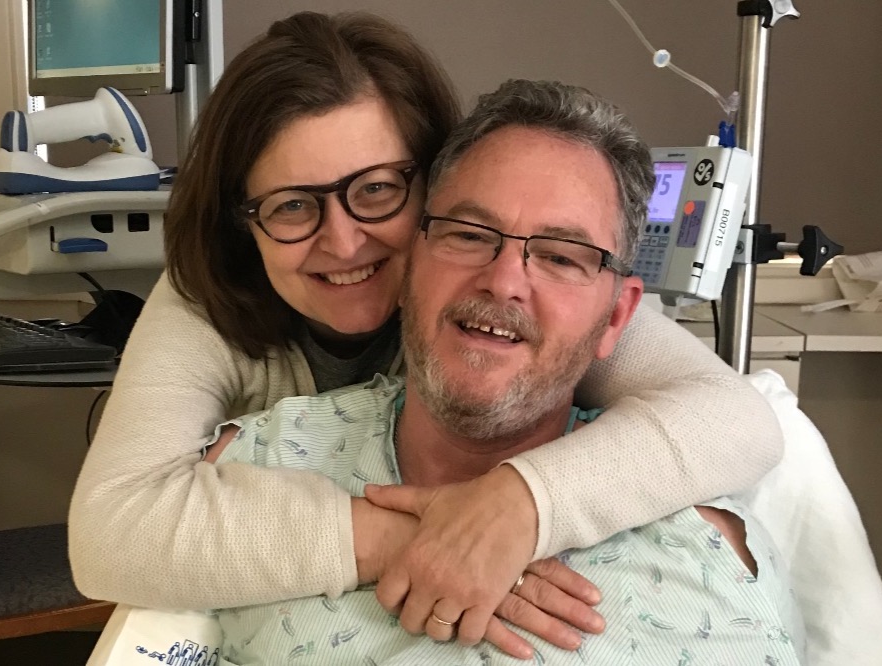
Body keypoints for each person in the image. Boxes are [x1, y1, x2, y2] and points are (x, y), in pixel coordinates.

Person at [68, 10, 784, 655]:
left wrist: (521, 505)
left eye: (377, 189)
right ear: (243, 224)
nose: (343, 242)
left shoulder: (543, 300)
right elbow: (112, 532)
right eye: (291, 206)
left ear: (431, 186)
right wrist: (436, 538)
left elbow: (734, 419)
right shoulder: (208, 303)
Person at [202, 77, 805, 665]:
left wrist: (524, 502)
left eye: (561, 256)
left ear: (617, 317)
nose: (504, 281)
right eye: (469, 235)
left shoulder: (700, 568)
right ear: (409, 264)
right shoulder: (249, 471)